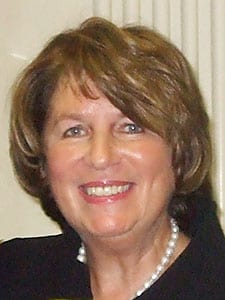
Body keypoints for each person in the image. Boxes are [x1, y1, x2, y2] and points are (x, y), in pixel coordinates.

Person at [0, 16, 225, 300]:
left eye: (131, 127)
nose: (100, 157)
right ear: (43, 159)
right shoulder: (11, 276)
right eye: (75, 130)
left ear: (180, 150)